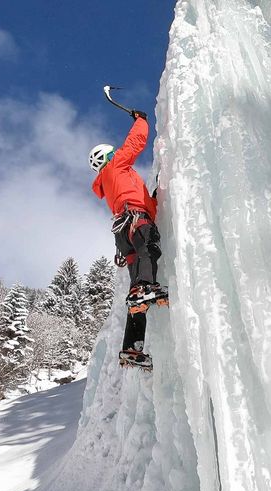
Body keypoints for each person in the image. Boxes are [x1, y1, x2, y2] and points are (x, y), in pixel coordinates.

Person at [89, 109, 166, 369]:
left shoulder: (109, 183)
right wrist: (141, 120)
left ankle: (132, 348)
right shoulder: (116, 166)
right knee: (149, 251)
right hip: (135, 222)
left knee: (136, 298)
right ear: (108, 157)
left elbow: (144, 204)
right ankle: (145, 287)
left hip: (124, 232)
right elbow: (135, 143)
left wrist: (155, 198)